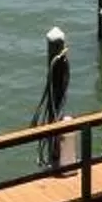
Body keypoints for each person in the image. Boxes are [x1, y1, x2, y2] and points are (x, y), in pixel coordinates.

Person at [35, 27, 73, 172]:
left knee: (59, 118)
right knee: (57, 117)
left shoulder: (60, 60)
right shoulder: (59, 60)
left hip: (58, 61)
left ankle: (57, 156)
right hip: (58, 62)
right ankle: (56, 155)